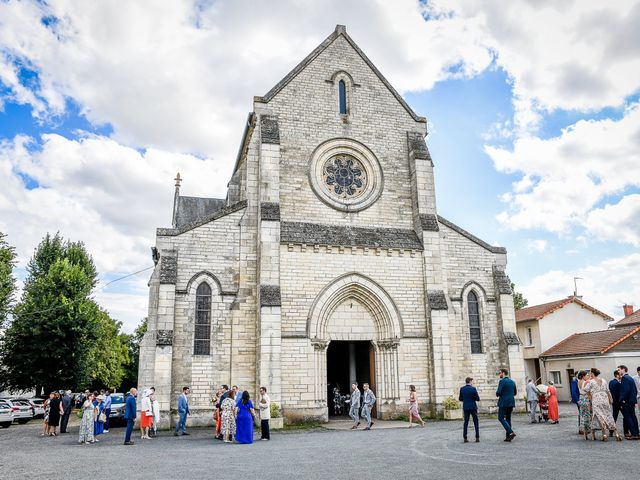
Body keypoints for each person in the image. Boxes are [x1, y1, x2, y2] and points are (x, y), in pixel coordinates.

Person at [584, 368, 622, 441]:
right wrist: (611, 399)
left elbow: (585, 390)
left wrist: (587, 381)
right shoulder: (604, 380)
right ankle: (616, 433)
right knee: (608, 415)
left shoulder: (591, 381)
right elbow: (608, 391)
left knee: (600, 416)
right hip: (604, 398)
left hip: (596, 399)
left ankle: (604, 434)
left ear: (592, 374)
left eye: (590, 373)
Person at [618, 365, 639, 439]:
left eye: (619, 370)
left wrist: (621, 399)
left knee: (628, 417)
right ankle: (636, 433)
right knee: (633, 416)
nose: (618, 371)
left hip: (626, 401)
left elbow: (625, 390)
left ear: (623, 369)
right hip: (632, 400)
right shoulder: (630, 378)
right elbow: (635, 390)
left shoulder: (625, 378)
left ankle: (634, 434)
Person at [496, 368, 517, 442]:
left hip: (503, 402)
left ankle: (511, 432)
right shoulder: (512, 381)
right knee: (508, 418)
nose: (499, 374)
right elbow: (515, 393)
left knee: (500, 418)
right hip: (511, 402)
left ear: (503, 373)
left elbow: (498, 392)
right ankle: (508, 436)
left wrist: (499, 394)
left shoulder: (502, 381)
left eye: (500, 373)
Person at [459, 377, 480, 442]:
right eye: (472, 381)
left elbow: (460, 398)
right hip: (473, 407)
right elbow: (477, 399)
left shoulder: (462, 389)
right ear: (470, 381)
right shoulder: (473, 389)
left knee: (466, 422)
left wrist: (466, 400)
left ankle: (465, 437)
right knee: (475, 422)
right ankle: (477, 437)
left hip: (466, 407)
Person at [609, 370, 626, 437]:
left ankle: (611, 431)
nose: (621, 376)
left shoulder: (611, 382)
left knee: (614, 417)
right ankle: (626, 431)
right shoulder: (618, 383)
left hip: (614, 402)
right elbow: (619, 394)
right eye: (620, 375)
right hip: (619, 402)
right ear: (616, 375)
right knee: (626, 416)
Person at [578, 370, 593, 440]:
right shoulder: (585, 383)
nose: (587, 376)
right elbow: (588, 392)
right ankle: (587, 432)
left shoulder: (579, 382)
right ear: (583, 376)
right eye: (586, 375)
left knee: (583, 415)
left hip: (581, 398)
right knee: (587, 415)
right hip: (585, 399)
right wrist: (591, 400)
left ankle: (584, 433)